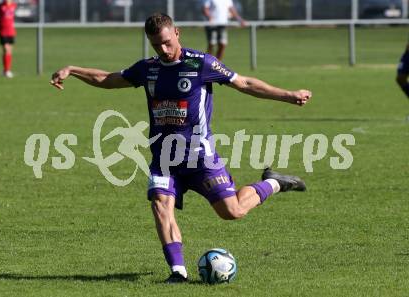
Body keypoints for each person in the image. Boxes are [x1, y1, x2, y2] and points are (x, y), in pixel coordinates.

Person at [50, 13, 312, 283]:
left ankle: (274, 183)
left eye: (166, 42)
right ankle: (178, 272)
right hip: (163, 158)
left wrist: (288, 95)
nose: (162, 50)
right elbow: (109, 79)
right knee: (160, 204)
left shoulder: (201, 63)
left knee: (232, 211)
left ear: (177, 33)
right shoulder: (148, 68)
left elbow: (243, 82)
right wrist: (73, 69)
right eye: (155, 46)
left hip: (200, 158)